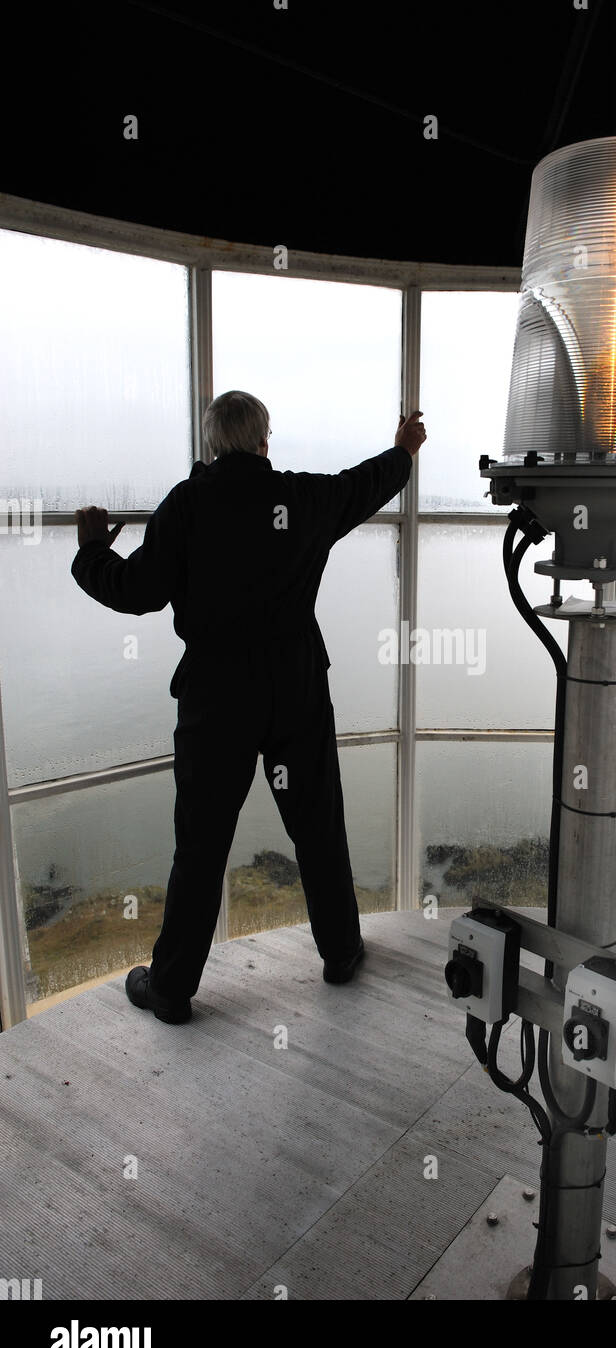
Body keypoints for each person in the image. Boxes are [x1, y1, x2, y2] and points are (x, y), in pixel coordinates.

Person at [72, 391, 427, 1023]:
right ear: (265, 441)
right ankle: (341, 952)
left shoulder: (187, 507)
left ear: (212, 444)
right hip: (295, 689)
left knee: (202, 846)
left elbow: (137, 592)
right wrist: (403, 452)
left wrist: (93, 552)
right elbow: (365, 485)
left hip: (216, 701)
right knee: (318, 826)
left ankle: (173, 988)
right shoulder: (304, 499)